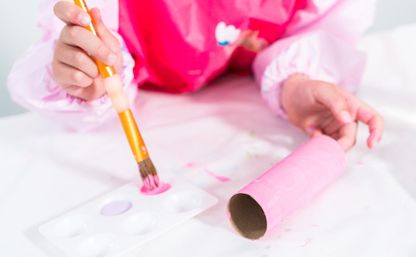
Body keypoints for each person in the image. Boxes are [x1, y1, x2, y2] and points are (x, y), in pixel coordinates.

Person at [8, 0, 383, 150]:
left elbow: (317, 29)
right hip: (149, 108)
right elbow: (79, 50)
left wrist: (298, 82)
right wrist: (86, 78)